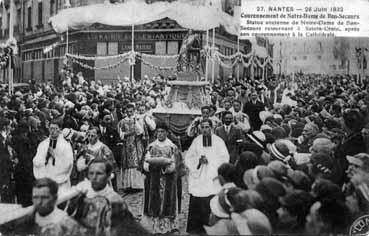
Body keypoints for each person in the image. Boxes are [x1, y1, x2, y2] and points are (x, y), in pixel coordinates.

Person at [71, 158, 145, 236]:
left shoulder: (115, 201)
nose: (94, 177)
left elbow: (129, 227)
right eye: (91, 173)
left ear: (108, 176)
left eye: (99, 173)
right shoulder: (82, 196)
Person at [185, 119, 229, 234]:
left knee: (210, 198)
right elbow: (189, 157)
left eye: (207, 127)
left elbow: (224, 158)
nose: (205, 130)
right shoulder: (196, 141)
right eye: (203, 127)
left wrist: (210, 161)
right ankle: (195, 228)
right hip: (199, 177)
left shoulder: (219, 141)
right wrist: (198, 162)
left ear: (211, 128)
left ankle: (209, 227)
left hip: (212, 176)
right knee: (197, 200)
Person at [141, 122, 183, 234]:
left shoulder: (172, 147)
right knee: (153, 200)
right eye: (158, 132)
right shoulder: (150, 146)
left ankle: (167, 226)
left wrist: (167, 167)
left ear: (167, 133)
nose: (160, 134)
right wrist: (150, 166)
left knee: (167, 201)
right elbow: (145, 164)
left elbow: (176, 164)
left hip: (168, 179)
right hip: (153, 178)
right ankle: (154, 226)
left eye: (162, 132)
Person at [10, 178, 84, 236]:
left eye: (44, 197)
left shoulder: (68, 225)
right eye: (35, 197)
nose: (39, 202)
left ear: (54, 199)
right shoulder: (25, 221)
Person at [33, 120, 74, 194]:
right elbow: (36, 161)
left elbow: (69, 164)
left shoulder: (65, 145)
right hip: (46, 179)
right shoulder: (43, 144)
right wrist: (45, 158)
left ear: (60, 130)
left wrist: (55, 157)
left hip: (60, 182)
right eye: (51, 128)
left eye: (55, 129)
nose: (52, 131)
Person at [117, 103, 145, 192]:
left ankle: (137, 185)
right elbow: (120, 133)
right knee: (127, 164)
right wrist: (125, 134)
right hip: (127, 143)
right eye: (128, 111)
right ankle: (128, 184)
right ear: (125, 112)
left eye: (131, 111)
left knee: (136, 162)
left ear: (133, 111)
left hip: (136, 143)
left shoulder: (137, 119)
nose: (129, 113)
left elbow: (140, 131)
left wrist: (136, 123)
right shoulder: (122, 121)